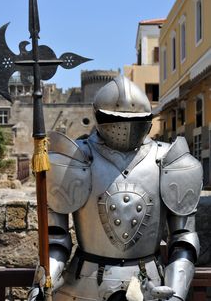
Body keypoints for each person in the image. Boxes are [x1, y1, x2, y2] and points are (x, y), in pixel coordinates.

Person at [45, 75, 202, 301]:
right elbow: (56, 240)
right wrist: (46, 279)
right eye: (114, 119)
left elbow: (184, 240)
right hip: (82, 287)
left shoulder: (170, 160)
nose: (124, 128)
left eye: (134, 120)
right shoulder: (74, 158)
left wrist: (175, 294)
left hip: (151, 287)